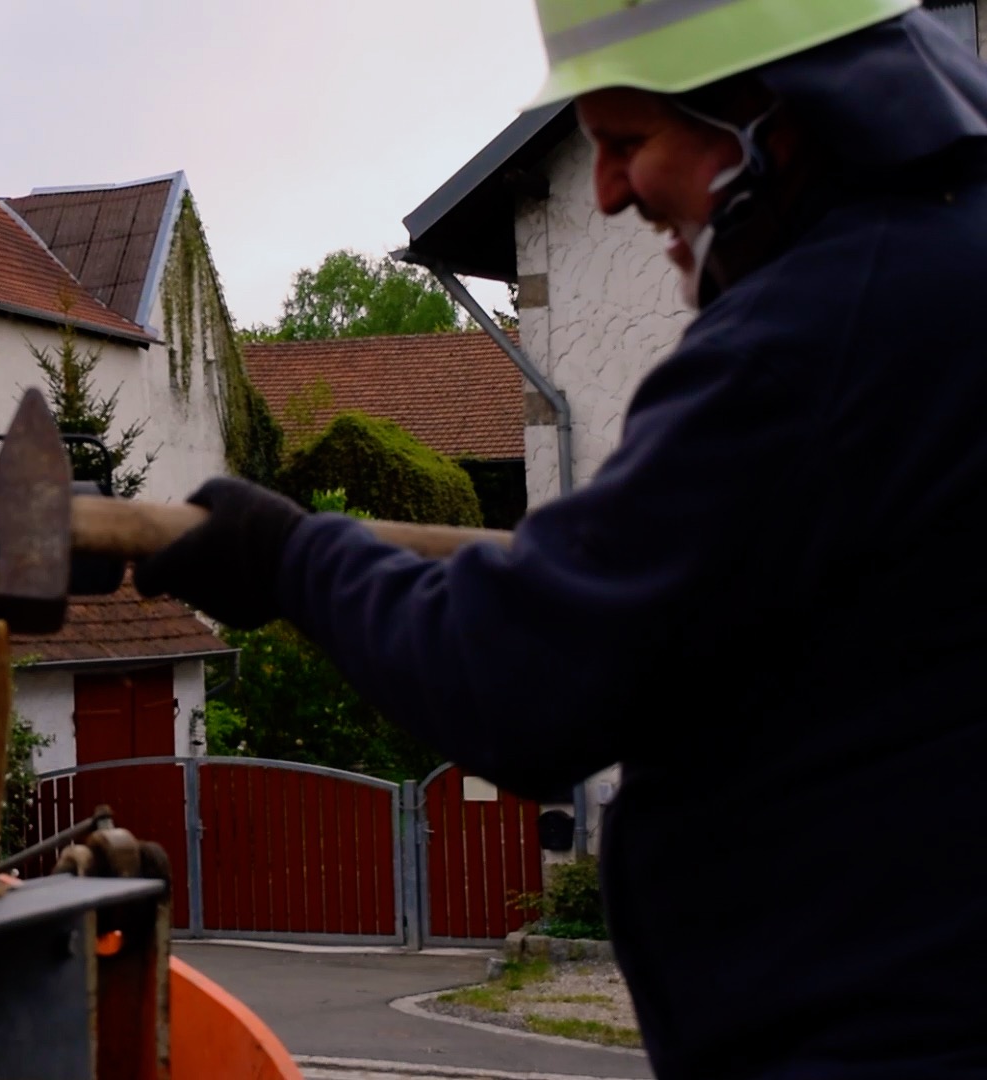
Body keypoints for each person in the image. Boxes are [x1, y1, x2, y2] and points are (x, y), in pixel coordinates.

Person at [136, 4, 987, 1077]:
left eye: (629, 142)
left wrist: (289, 558)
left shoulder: (814, 338)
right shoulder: (944, 274)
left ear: (771, 117)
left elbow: (516, 676)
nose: (607, 191)